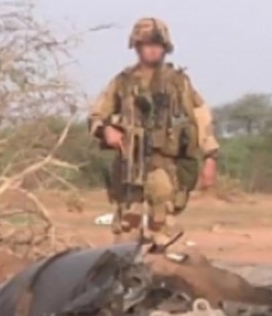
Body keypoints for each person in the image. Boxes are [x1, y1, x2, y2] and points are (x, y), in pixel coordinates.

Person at [89, 18, 219, 245]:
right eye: (146, 43)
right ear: (137, 46)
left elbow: (201, 117)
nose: (152, 48)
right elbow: (95, 115)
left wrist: (210, 157)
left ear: (165, 47)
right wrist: (106, 130)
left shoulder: (178, 82)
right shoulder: (122, 82)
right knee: (126, 236)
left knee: (163, 233)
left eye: (157, 44)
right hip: (129, 167)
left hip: (165, 167)